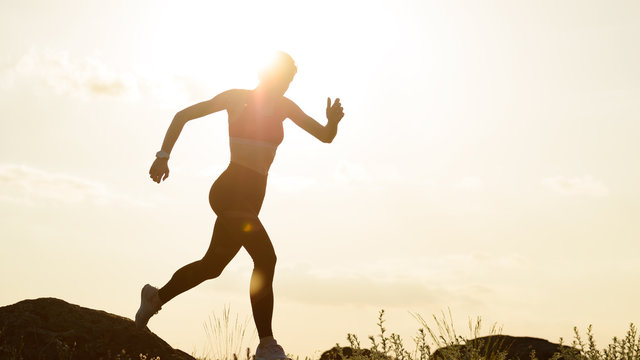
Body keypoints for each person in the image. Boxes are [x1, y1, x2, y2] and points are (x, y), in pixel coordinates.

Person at [135, 51, 344, 360]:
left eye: (290, 80)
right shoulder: (235, 99)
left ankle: (155, 298)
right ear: (268, 75)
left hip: (251, 199)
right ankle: (267, 344)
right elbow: (182, 116)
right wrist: (163, 156)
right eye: (283, 78)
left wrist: (333, 122)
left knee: (212, 267)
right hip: (230, 191)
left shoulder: (285, 107)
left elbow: (325, 137)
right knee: (266, 259)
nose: (286, 84)